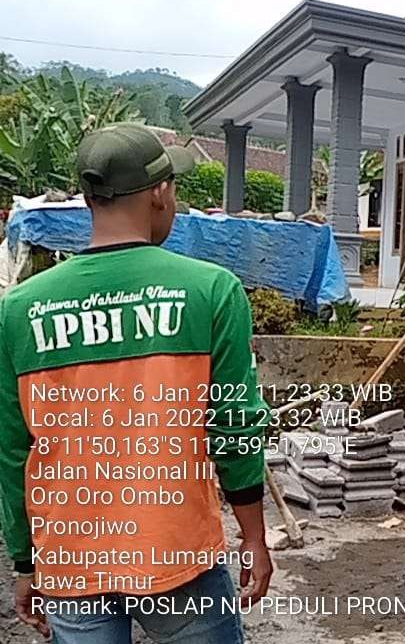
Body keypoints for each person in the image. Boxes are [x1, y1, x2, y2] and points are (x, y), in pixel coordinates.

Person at [0, 123, 273, 642]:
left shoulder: (19, 310)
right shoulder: (212, 290)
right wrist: (254, 538)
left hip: (71, 554)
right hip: (177, 550)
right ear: (160, 192)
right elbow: (235, 427)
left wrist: (23, 562)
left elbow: (13, 451)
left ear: (89, 199)